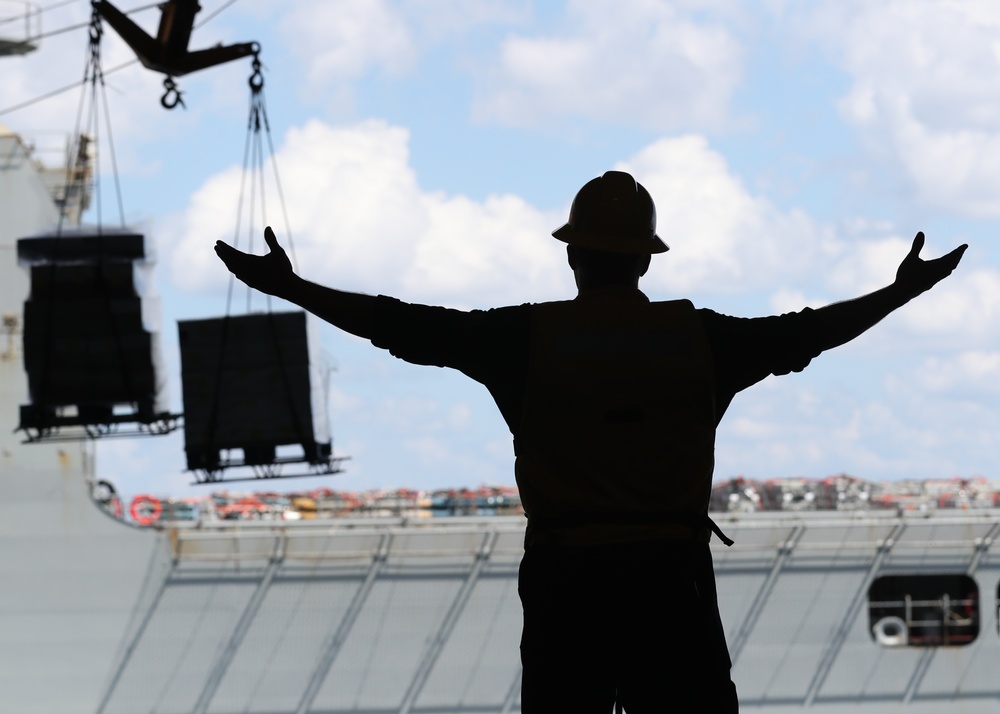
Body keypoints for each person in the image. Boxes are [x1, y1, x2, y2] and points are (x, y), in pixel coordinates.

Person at [215, 171, 966, 713]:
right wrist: (900, 292)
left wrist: (293, 286)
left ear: (572, 254)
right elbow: (810, 333)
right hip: (670, 579)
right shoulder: (698, 340)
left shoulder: (523, 339)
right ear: (645, 258)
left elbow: (401, 325)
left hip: (566, 580)